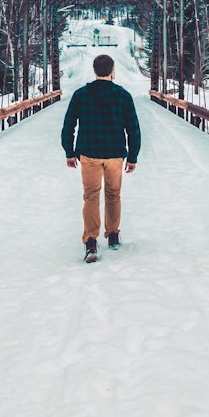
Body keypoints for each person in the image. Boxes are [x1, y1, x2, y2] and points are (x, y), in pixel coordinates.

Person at [61, 54, 141, 262]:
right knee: (113, 194)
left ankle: (91, 241)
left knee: (91, 196)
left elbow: (69, 125)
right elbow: (133, 128)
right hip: (115, 154)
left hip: (89, 153)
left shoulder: (81, 95)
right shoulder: (123, 96)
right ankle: (113, 234)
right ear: (112, 70)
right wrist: (132, 156)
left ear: (95, 71)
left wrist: (69, 152)